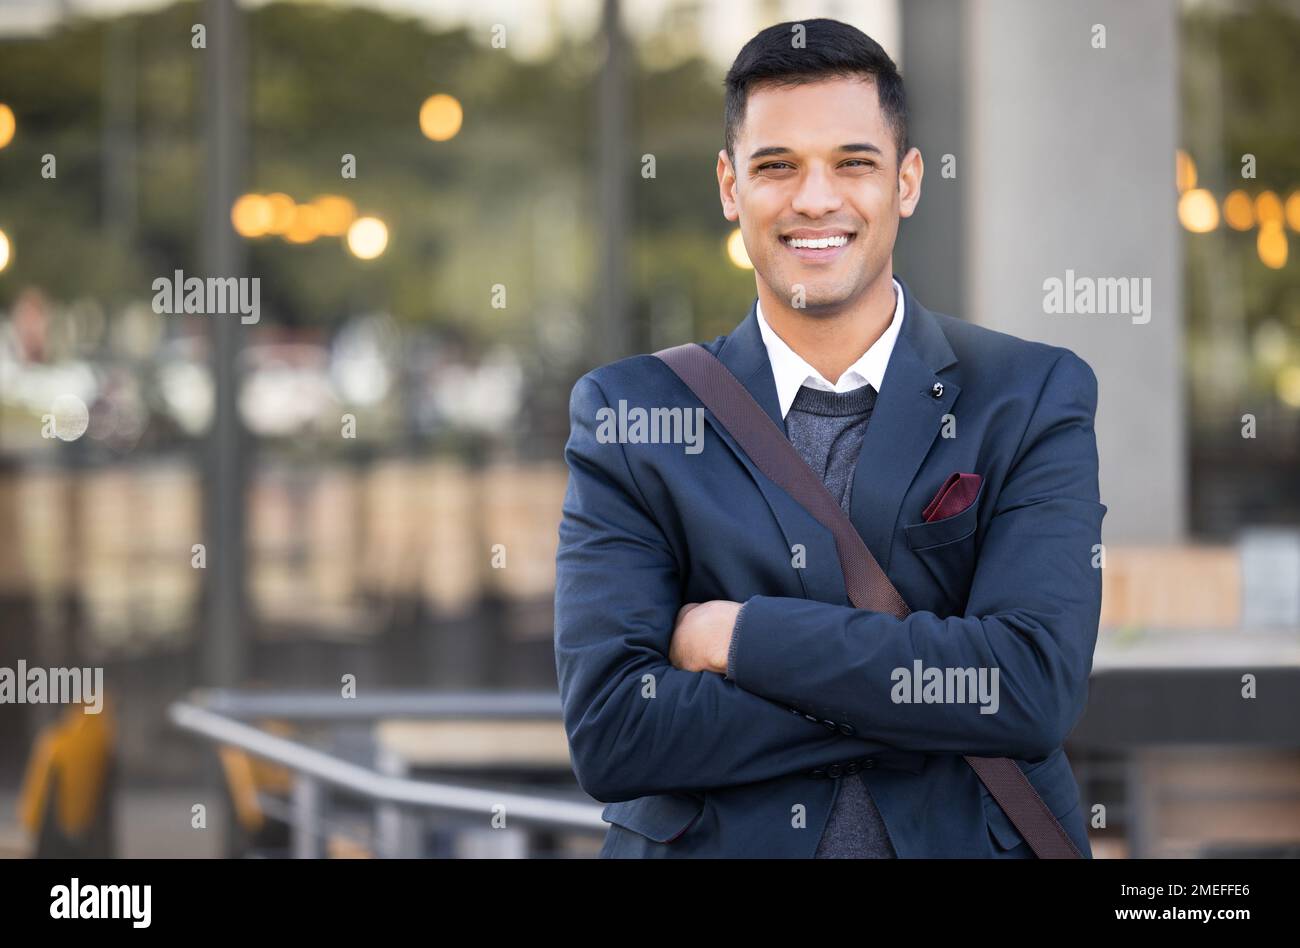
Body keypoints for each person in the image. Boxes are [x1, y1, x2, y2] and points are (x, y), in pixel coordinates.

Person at [554, 17, 1104, 858]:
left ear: (907, 182)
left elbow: (1028, 687)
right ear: (730, 187)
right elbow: (617, 731)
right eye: (777, 167)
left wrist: (740, 640)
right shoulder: (631, 415)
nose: (816, 199)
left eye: (854, 162)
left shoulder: (1028, 395)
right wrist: (926, 687)